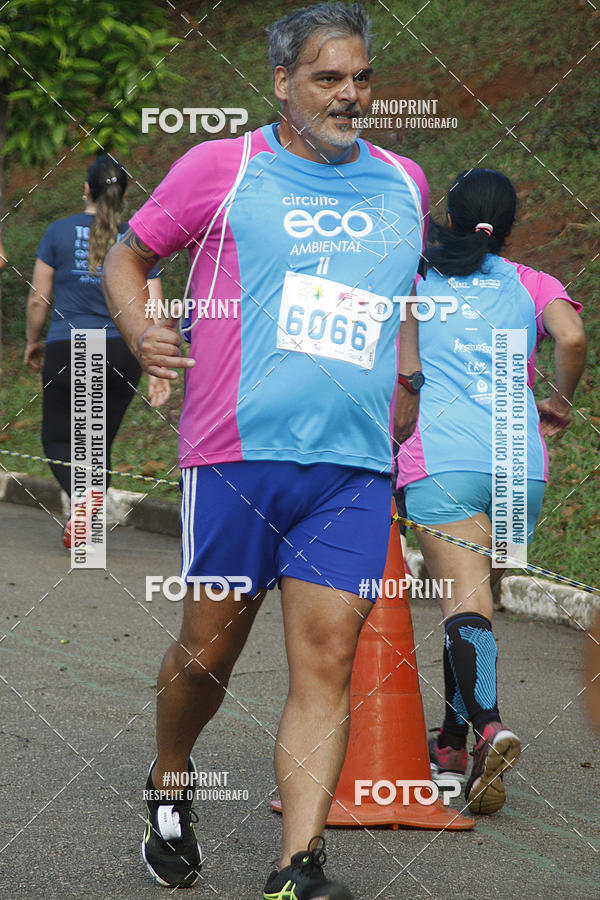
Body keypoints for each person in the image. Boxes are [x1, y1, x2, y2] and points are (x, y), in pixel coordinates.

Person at [102, 3, 428, 896]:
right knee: (210, 650)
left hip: (353, 469)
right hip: (236, 457)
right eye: (328, 78)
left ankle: (299, 866)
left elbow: (397, 292)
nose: (350, 94)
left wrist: (406, 379)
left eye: (362, 77)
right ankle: (172, 776)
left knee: (326, 658)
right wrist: (141, 333)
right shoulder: (225, 166)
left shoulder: (405, 180)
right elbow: (129, 256)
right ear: (282, 82)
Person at [395, 168, 586, 815]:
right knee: (476, 606)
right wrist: (558, 402)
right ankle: (453, 743)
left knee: (462, 604)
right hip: (517, 462)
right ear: (508, 227)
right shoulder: (533, 283)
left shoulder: (419, 279)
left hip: (443, 459)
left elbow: (398, 360)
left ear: (449, 217)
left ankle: (491, 727)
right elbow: (572, 336)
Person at [24, 155, 168, 547]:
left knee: (58, 439)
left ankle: (84, 501)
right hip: (121, 351)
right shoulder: (136, 240)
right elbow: (153, 306)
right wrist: (155, 368)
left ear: (86, 189)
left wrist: (32, 341)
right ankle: (86, 517)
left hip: (69, 346)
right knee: (96, 442)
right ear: (122, 195)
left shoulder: (58, 232)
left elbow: (39, 299)